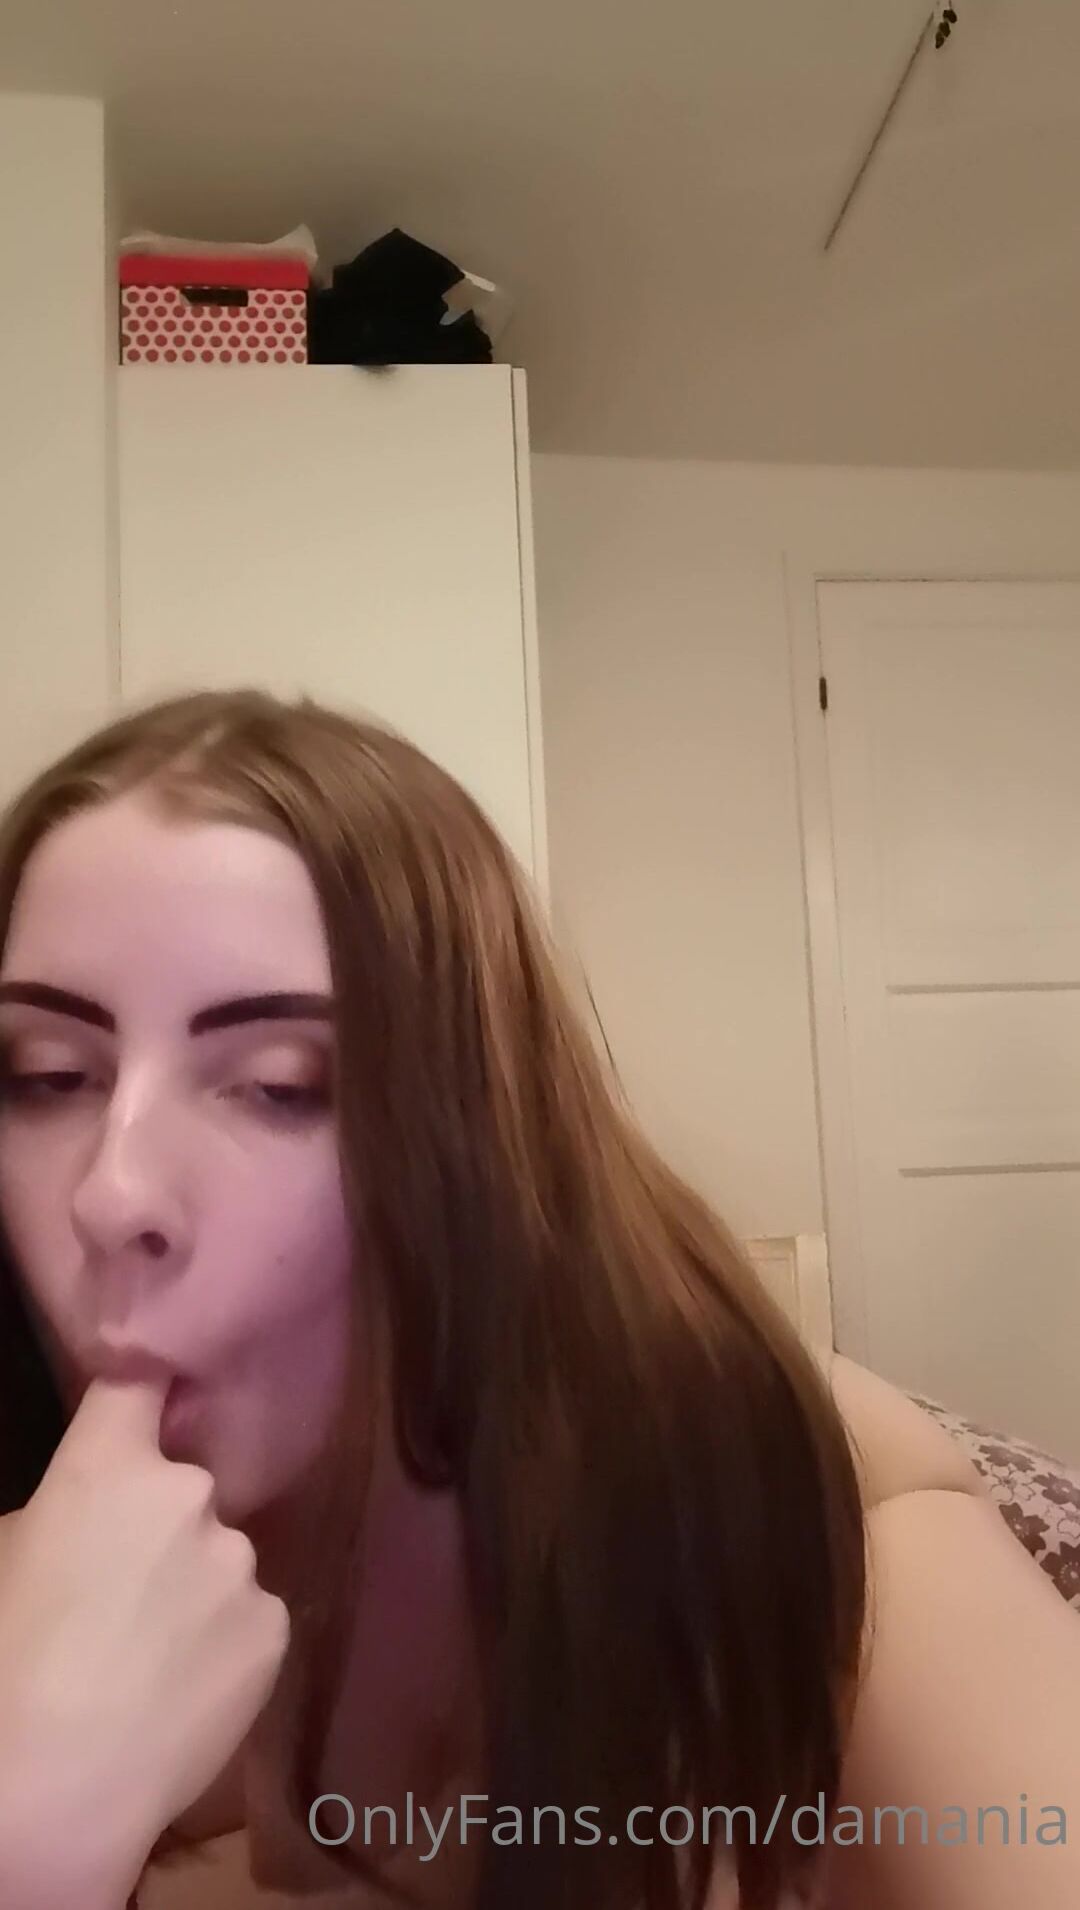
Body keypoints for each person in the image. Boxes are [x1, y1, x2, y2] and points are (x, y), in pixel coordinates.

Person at [0, 688, 1076, 1910]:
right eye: (48, 1075)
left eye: (280, 1084)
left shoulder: (817, 1545)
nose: (112, 1191)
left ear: (475, 1143)